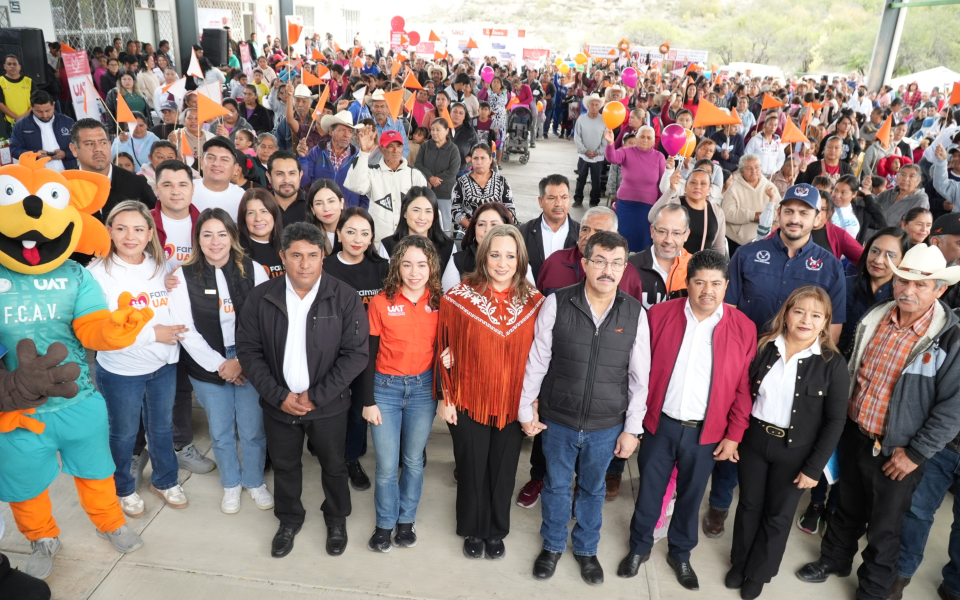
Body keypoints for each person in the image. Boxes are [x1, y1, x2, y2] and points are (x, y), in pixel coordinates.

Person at [796, 243, 960, 600]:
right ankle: (834, 560)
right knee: (846, 506)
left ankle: (873, 589)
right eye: (903, 281)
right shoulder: (878, 316)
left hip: (898, 450)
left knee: (886, 527)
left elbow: (953, 408)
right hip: (856, 434)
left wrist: (915, 453)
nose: (908, 291)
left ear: (940, 289)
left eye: (921, 285)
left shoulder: (950, 337)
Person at [706, 184, 847, 538]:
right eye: (789, 210)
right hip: (745, 366)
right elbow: (731, 312)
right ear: (779, 213)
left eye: (804, 212)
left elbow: (834, 327)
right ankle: (720, 504)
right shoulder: (749, 254)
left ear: (818, 218)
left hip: (796, 372)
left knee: (774, 450)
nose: (795, 218)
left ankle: (762, 516)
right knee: (734, 434)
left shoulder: (830, 267)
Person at [618, 250, 756, 591]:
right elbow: (637, 373)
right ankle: (639, 547)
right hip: (660, 425)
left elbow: (743, 388)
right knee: (649, 490)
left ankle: (680, 553)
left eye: (715, 283)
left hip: (707, 432)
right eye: (699, 282)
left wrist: (735, 434)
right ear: (688, 283)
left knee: (692, 495)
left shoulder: (743, 328)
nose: (707, 290)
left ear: (726, 286)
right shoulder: (660, 315)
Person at [519, 230, 647, 585]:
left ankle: (587, 549)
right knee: (557, 485)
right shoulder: (557, 302)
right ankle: (553, 545)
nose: (608, 270)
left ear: (624, 268)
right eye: (601, 261)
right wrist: (526, 408)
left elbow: (640, 378)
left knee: (592, 489)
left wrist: (632, 428)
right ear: (586, 263)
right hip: (558, 418)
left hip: (606, 425)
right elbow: (538, 359)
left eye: (617, 263)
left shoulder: (636, 313)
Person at [236, 222, 369, 559]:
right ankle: (289, 519)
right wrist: (278, 395)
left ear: (323, 256)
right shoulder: (260, 297)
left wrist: (316, 396)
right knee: (285, 466)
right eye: (296, 255)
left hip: (328, 407)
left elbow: (356, 355)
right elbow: (249, 352)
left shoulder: (345, 297)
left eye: (313, 255)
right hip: (278, 406)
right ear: (283, 257)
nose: (305, 263)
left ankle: (336, 518)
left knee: (335, 465)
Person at [726, 286, 848, 599]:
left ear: (825, 322)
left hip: (796, 452)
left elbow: (835, 421)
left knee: (778, 515)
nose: (806, 319)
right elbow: (741, 395)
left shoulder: (832, 363)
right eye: (799, 311)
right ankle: (739, 563)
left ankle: (758, 573)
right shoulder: (765, 346)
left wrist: (813, 468)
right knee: (749, 506)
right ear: (787, 314)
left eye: (816, 315)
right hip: (755, 442)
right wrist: (736, 437)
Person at [434, 224, 544, 559]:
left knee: (503, 468)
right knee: (471, 467)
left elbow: (542, 360)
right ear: (483, 256)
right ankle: (471, 527)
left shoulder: (536, 304)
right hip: (469, 400)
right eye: (495, 254)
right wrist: (445, 398)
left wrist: (535, 406)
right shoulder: (458, 298)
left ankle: (495, 530)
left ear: (520, 259)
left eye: (510, 256)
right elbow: (443, 349)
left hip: (513, 403)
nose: (502, 262)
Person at [87, 201, 188, 518]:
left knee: (161, 430)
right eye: (121, 228)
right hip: (121, 371)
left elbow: (174, 309)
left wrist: (169, 349)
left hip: (162, 368)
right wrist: (151, 335)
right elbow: (98, 330)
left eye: (138, 229)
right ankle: (123, 487)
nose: (130, 236)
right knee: (124, 433)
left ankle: (165, 480)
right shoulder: (97, 274)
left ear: (149, 235)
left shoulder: (161, 266)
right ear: (109, 232)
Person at [168, 207, 272, 514]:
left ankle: (254, 481)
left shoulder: (255, 270)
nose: (215, 242)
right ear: (197, 239)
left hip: (250, 360)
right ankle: (231, 484)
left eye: (222, 234)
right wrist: (221, 365)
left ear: (233, 237)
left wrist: (241, 360)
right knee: (222, 431)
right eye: (207, 234)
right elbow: (184, 330)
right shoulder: (182, 277)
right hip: (206, 365)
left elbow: (265, 322)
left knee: (253, 429)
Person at [363, 235, 441, 552]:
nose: (414, 271)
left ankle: (406, 521)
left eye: (421, 264)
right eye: (407, 264)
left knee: (412, 461)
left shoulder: (440, 303)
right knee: (385, 464)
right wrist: (367, 400)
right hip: (385, 390)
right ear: (397, 266)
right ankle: (384, 524)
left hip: (423, 391)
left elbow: (447, 346)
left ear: (431, 267)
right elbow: (368, 354)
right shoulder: (381, 302)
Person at [322, 207, 389, 492]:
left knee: (361, 407)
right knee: (332, 408)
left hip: (367, 354)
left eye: (364, 233)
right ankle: (331, 454)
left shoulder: (381, 268)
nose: (357, 239)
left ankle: (352, 459)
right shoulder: (325, 267)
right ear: (338, 233)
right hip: (331, 353)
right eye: (350, 232)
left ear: (372, 236)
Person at [344, 128, 428, 244]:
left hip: (408, 242)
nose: (395, 150)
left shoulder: (415, 174)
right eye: (390, 146)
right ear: (381, 150)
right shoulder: (372, 172)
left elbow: (426, 208)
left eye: (399, 146)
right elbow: (356, 186)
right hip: (379, 243)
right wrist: (364, 153)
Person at [70, 119, 157, 223]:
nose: (98, 149)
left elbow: (153, 224)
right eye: (89, 144)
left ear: (110, 145)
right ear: (74, 149)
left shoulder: (137, 184)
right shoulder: (64, 186)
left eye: (103, 143)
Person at [603, 125, 666, 250]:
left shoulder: (659, 157)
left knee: (644, 241)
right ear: (636, 137)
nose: (645, 140)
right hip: (626, 206)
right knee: (621, 241)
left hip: (648, 208)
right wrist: (610, 143)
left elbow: (662, 184)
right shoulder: (626, 151)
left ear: (654, 141)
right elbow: (612, 157)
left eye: (649, 137)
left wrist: (660, 206)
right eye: (642, 136)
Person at [630, 204, 693, 310]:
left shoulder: (696, 268)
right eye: (662, 231)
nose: (668, 240)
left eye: (676, 233)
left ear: (686, 235)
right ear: (652, 231)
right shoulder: (630, 267)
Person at [650, 168, 726, 255]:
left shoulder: (717, 212)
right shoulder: (674, 205)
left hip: (700, 266)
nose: (697, 186)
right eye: (693, 182)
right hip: (671, 263)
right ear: (685, 186)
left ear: (709, 189)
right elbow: (652, 218)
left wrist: (719, 268)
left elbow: (718, 248)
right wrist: (671, 190)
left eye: (703, 183)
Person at [520, 174, 580, 282]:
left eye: (564, 198)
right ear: (540, 201)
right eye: (551, 198)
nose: (558, 203)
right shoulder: (523, 233)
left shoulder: (581, 234)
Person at [378, 186, 456, 268]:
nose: (422, 217)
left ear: (434, 216)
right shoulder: (387, 245)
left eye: (428, 211)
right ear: (404, 212)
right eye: (416, 210)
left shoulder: (448, 247)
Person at [298, 111, 365, 207]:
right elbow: (303, 182)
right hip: (322, 211)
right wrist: (303, 159)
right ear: (331, 131)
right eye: (342, 130)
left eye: (350, 131)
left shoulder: (358, 157)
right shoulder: (316, 152)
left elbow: (364, 192)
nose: (346, 135)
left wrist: (359, 214)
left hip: (348, 214)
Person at [721, 154, 781, 255]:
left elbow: (781, 211)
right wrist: (752, 216)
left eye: (757, 167)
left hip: (766, 240)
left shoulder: (770, 187)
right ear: (741, 171)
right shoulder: (734, 189)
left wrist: (766, 217)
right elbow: (727, 213)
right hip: (737, 241)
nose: (754, 171)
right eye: (749, 168)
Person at [451, 143, 515, 230]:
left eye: (483, 158)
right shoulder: (461, 183)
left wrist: (495, 226)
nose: (479, 162)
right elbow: (455, 209)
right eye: (475, 158)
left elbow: (510, 208)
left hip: (497, 233)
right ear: (471, 160)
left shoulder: (501, 181)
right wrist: (473, 228)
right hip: (470, 234)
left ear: (490, 159)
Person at [414, 117, 460, 233]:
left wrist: (436, 180)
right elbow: (418, 164)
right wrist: (430, 177)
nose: (434, 133)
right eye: (432, 129)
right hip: (426, 191)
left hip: (445, 193)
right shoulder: (425, 146)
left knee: (444, 225)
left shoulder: (453, 149)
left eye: (438, 130)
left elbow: (453, 170)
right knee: (425, 222)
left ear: (446, 131)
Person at [10, 90, 75, 171]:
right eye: (39, 111)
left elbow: (81, 147)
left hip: (69, 173)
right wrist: (35, 154)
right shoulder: (21, 125)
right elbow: (14, 150)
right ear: (31, 107)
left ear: (54, 105)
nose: (44, 115)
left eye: (48, 111)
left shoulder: (67, 122)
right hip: (39, 177)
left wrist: (66, 154)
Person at [874, 164, 928, 236]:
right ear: (897, 177)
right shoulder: (888, 193)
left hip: (892, 239)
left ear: (918, 181)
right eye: (903, 174)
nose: (905, 179)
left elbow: (912, 227)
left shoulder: (920, 200)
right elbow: (872, 205)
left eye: (911, 176)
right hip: (870, 236)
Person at [831, 174, 887, 245]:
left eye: (843, 192)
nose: (837, 195)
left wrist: (869, 197)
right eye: (835, 190)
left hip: (850, 255)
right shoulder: (825, 208)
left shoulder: (861, 213)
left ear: (854, 194)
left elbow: (882, 223)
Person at [573, 94, 606, 208]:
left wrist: (598, 152)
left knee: (596, 180)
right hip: (583, 156)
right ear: (587, 106)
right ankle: (578, 199)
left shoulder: (604, 120)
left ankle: (594, 201)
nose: (594, 107)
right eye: (591, 104)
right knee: (581, 178)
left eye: (597, 105)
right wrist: (585, 151)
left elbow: (605, 138)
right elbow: (577, 137)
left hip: (598, 157)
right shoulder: (581, 119)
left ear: (599, 106)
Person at [0, 55, 34, 129]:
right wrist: (15, 117)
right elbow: (0, 104)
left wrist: (24, 116)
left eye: (15, 64)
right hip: (11, 122)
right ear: (4, 66)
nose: (12, 66)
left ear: (20, 66)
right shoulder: (1, 81)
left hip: (29, 120)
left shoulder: (29, 81)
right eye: (9, 64)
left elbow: (36, 101)